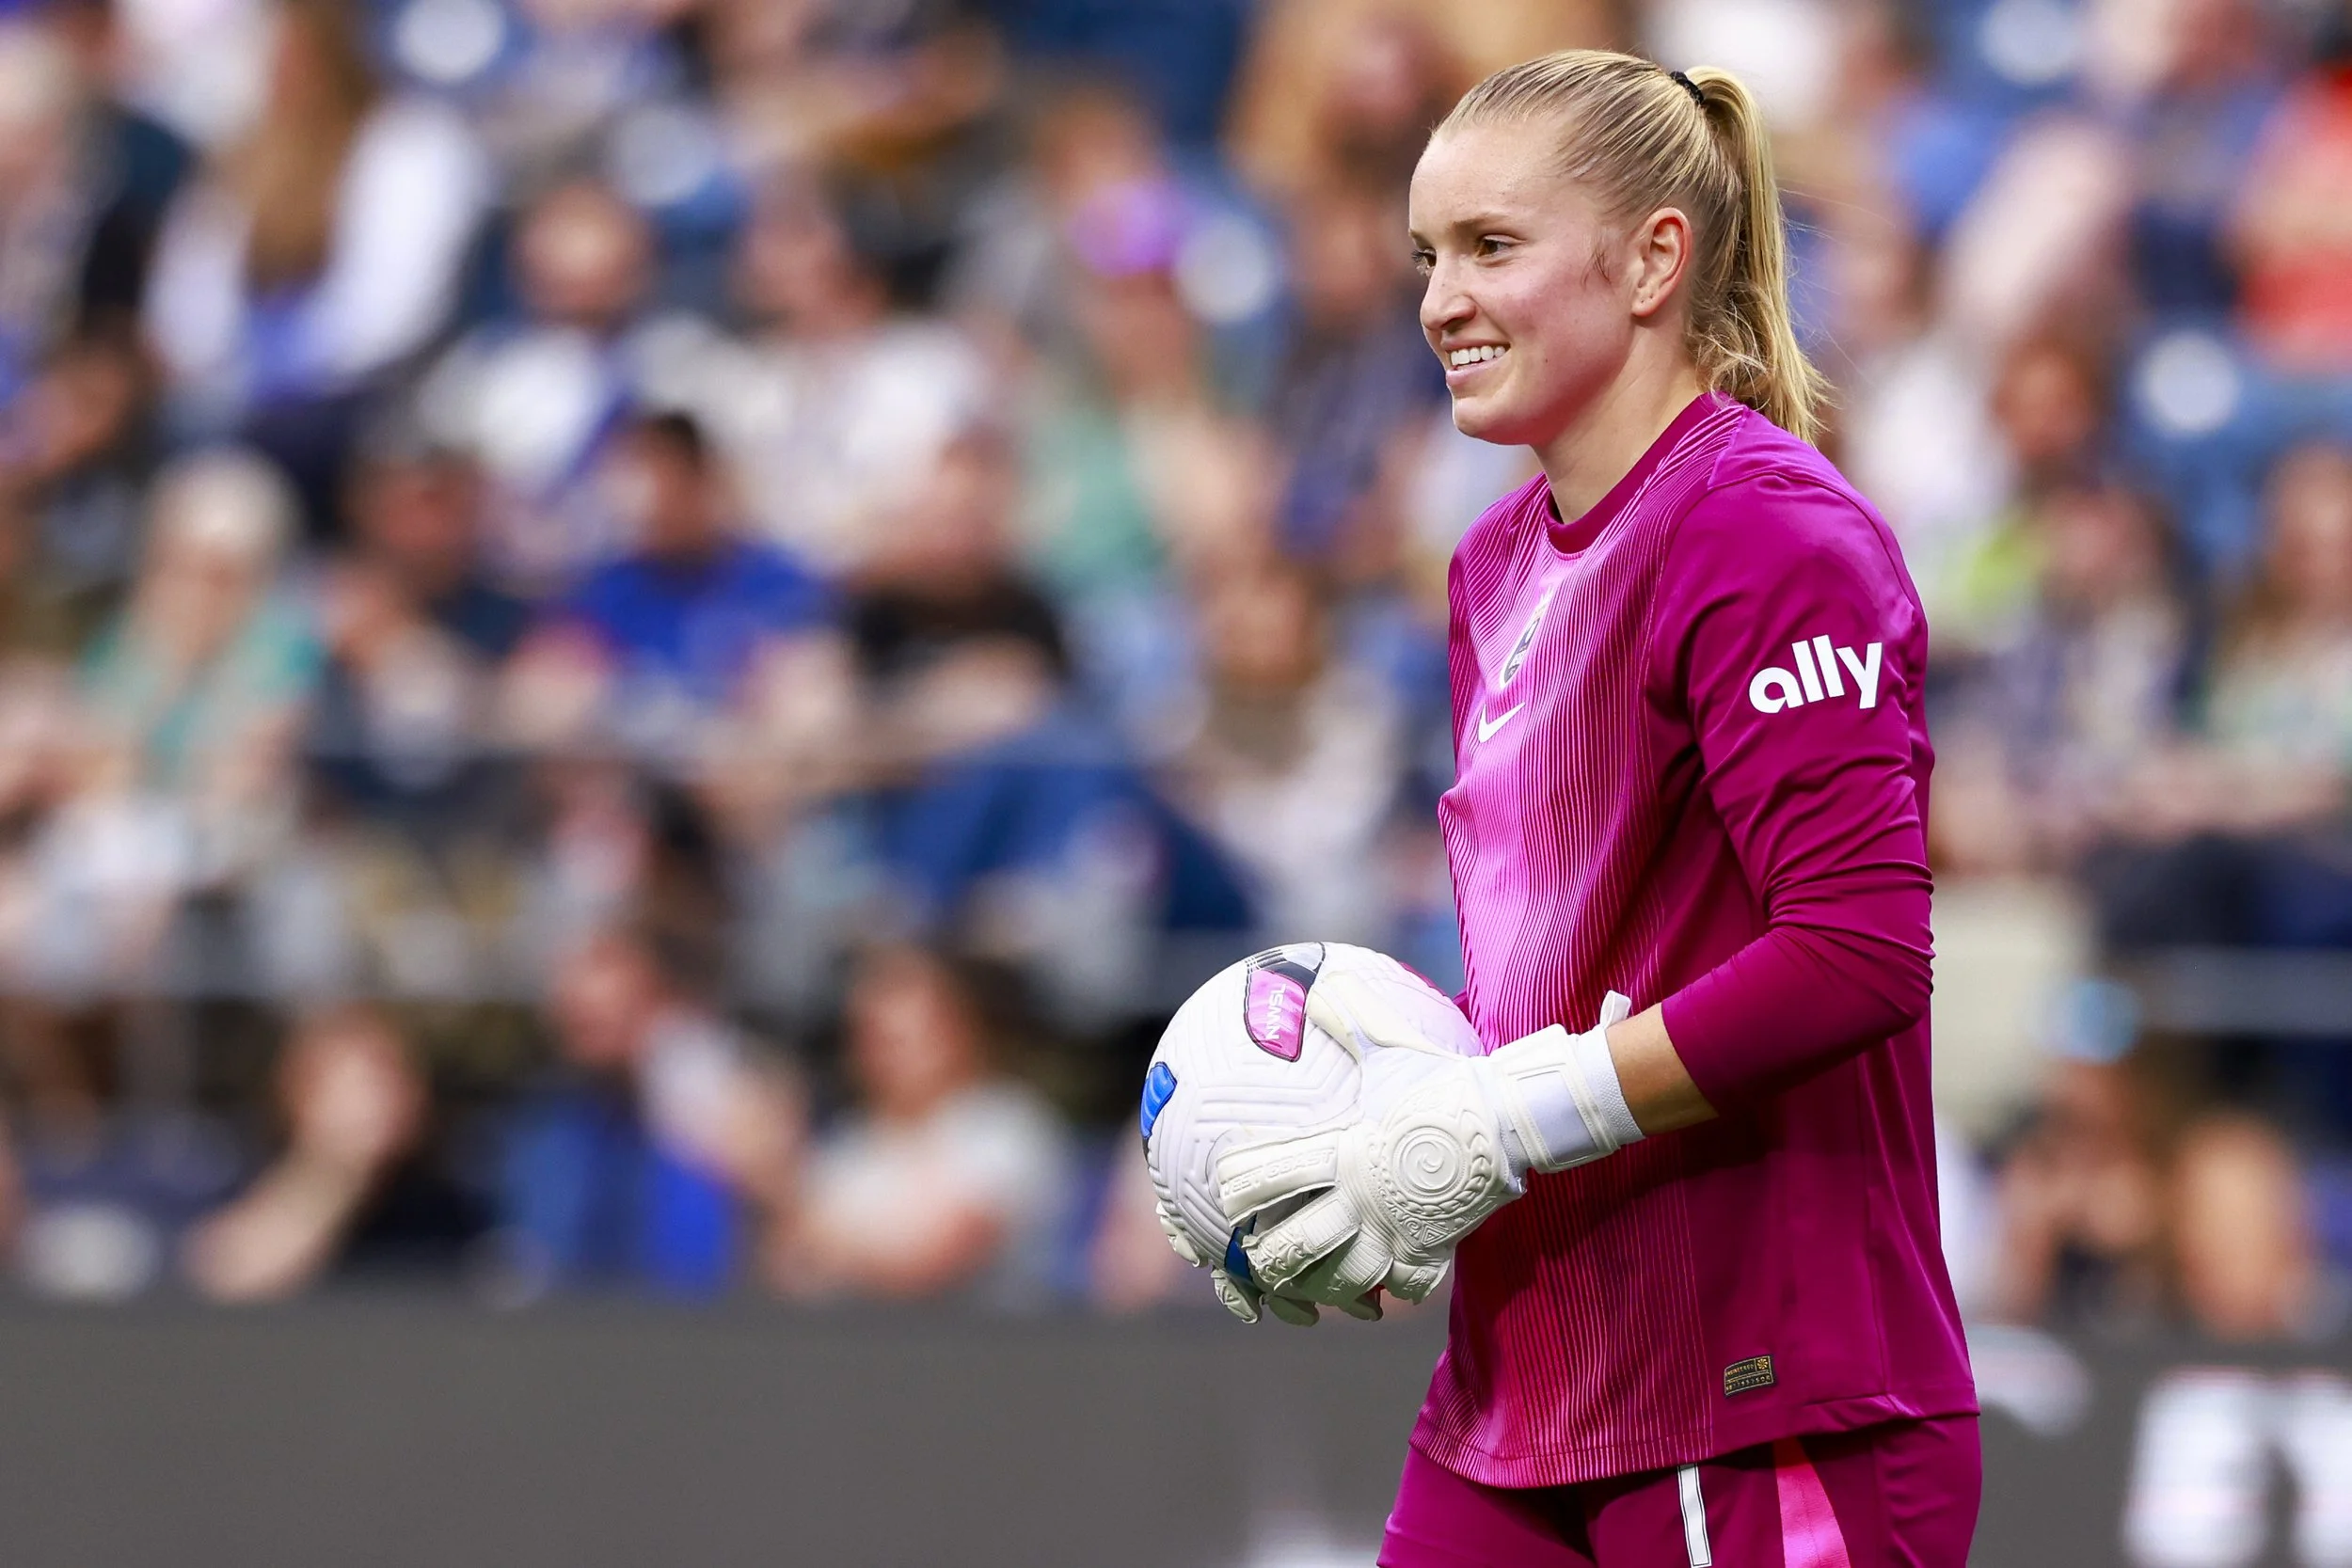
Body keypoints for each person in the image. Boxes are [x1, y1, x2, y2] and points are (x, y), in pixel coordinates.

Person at [1192, 52, 1979, 1566]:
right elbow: (1569, 966)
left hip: (1761, 1393)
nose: (1439, 301)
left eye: (1493, 246)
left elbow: (1859, 952)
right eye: (1428, 255)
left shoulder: (1765, 532)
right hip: (1519, 1391)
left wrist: (1502, 1117)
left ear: (1651, 261)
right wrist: (1397, 1155)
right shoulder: (1492, 566)